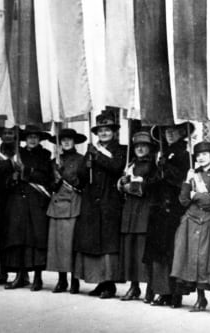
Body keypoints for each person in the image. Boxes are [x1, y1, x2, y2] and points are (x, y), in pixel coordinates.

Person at [74, 113, 127, 299]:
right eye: (101, 130)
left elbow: (116, 167)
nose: (104, 133)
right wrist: (87, 161)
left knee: (108, 245)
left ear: (113, 132)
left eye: (107, 130)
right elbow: (81, 175)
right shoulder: (92, 150)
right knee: (94, 243)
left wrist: (97, 157)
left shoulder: (121, 150)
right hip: (92, 202)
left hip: (110, 201)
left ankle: (109, 284)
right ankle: (99, 282)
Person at [171, 141, 210, 314]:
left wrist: (198, 195)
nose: (201, 158)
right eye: (198, 155)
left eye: (205, 154)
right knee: (193, 259)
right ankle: (200, 298)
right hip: (192, 220)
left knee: (207, 261)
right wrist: (188, 182)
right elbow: (184, 200)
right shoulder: (193, 173)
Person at [143, 123, 191, 308]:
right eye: (166, 132)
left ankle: (176, 294)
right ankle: (162, 291)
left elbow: (183, 181)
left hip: (175, 209)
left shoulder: (186, 156)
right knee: (158, 253)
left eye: (173, 131)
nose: (169, 134)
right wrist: (157, 172)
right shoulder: (159, 154)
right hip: (159, 208)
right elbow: (150, 182)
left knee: (173, 252)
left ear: (181, 133)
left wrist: (168, 169)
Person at [1, 125, 53, 291]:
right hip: (18, 202)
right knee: (19, 240)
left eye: (35, 137)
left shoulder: (45, 155)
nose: (32, 139)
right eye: (29, 136)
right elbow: (6, 177)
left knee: (36, 240)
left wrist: (26, 172)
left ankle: (37, 277)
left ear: (39, 139)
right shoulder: (18, 154)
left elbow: (45, 177)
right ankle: (20, 275)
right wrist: (13, 178)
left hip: (36, 201)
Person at [117, 131, 158, 301]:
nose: (140, 149)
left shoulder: (154, 165)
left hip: (144, 210)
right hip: (130, 211)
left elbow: (150, 186)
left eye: (143, 146)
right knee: (130, 250)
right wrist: (123, 182)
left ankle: (149, 287)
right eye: (137, 146)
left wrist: (131, 186)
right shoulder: (130, 164)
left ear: (149, 148)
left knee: (142, 251)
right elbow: (122, 185)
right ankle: (134, 287)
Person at [46, 128, 88, 294]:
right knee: (58, 245)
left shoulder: (81, 160)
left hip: (72, 204)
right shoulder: (54, 160)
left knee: (70, 245)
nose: (66, 143)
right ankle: (61, 279)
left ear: (74, 141)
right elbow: (51, 186)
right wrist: (55, 178)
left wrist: (64, 175)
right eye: (63, 140)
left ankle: (74, 280)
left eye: (69, 140)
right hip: (57, 206)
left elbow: (82, 183)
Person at [0, 124, 19, 285]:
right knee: (1, 236)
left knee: (15, 237)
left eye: (11, 133)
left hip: (17, 199)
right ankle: (2, 271)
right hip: (1, 199)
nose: (8, 136)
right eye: (5, 133)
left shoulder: (20, 155)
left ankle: (19, 272)